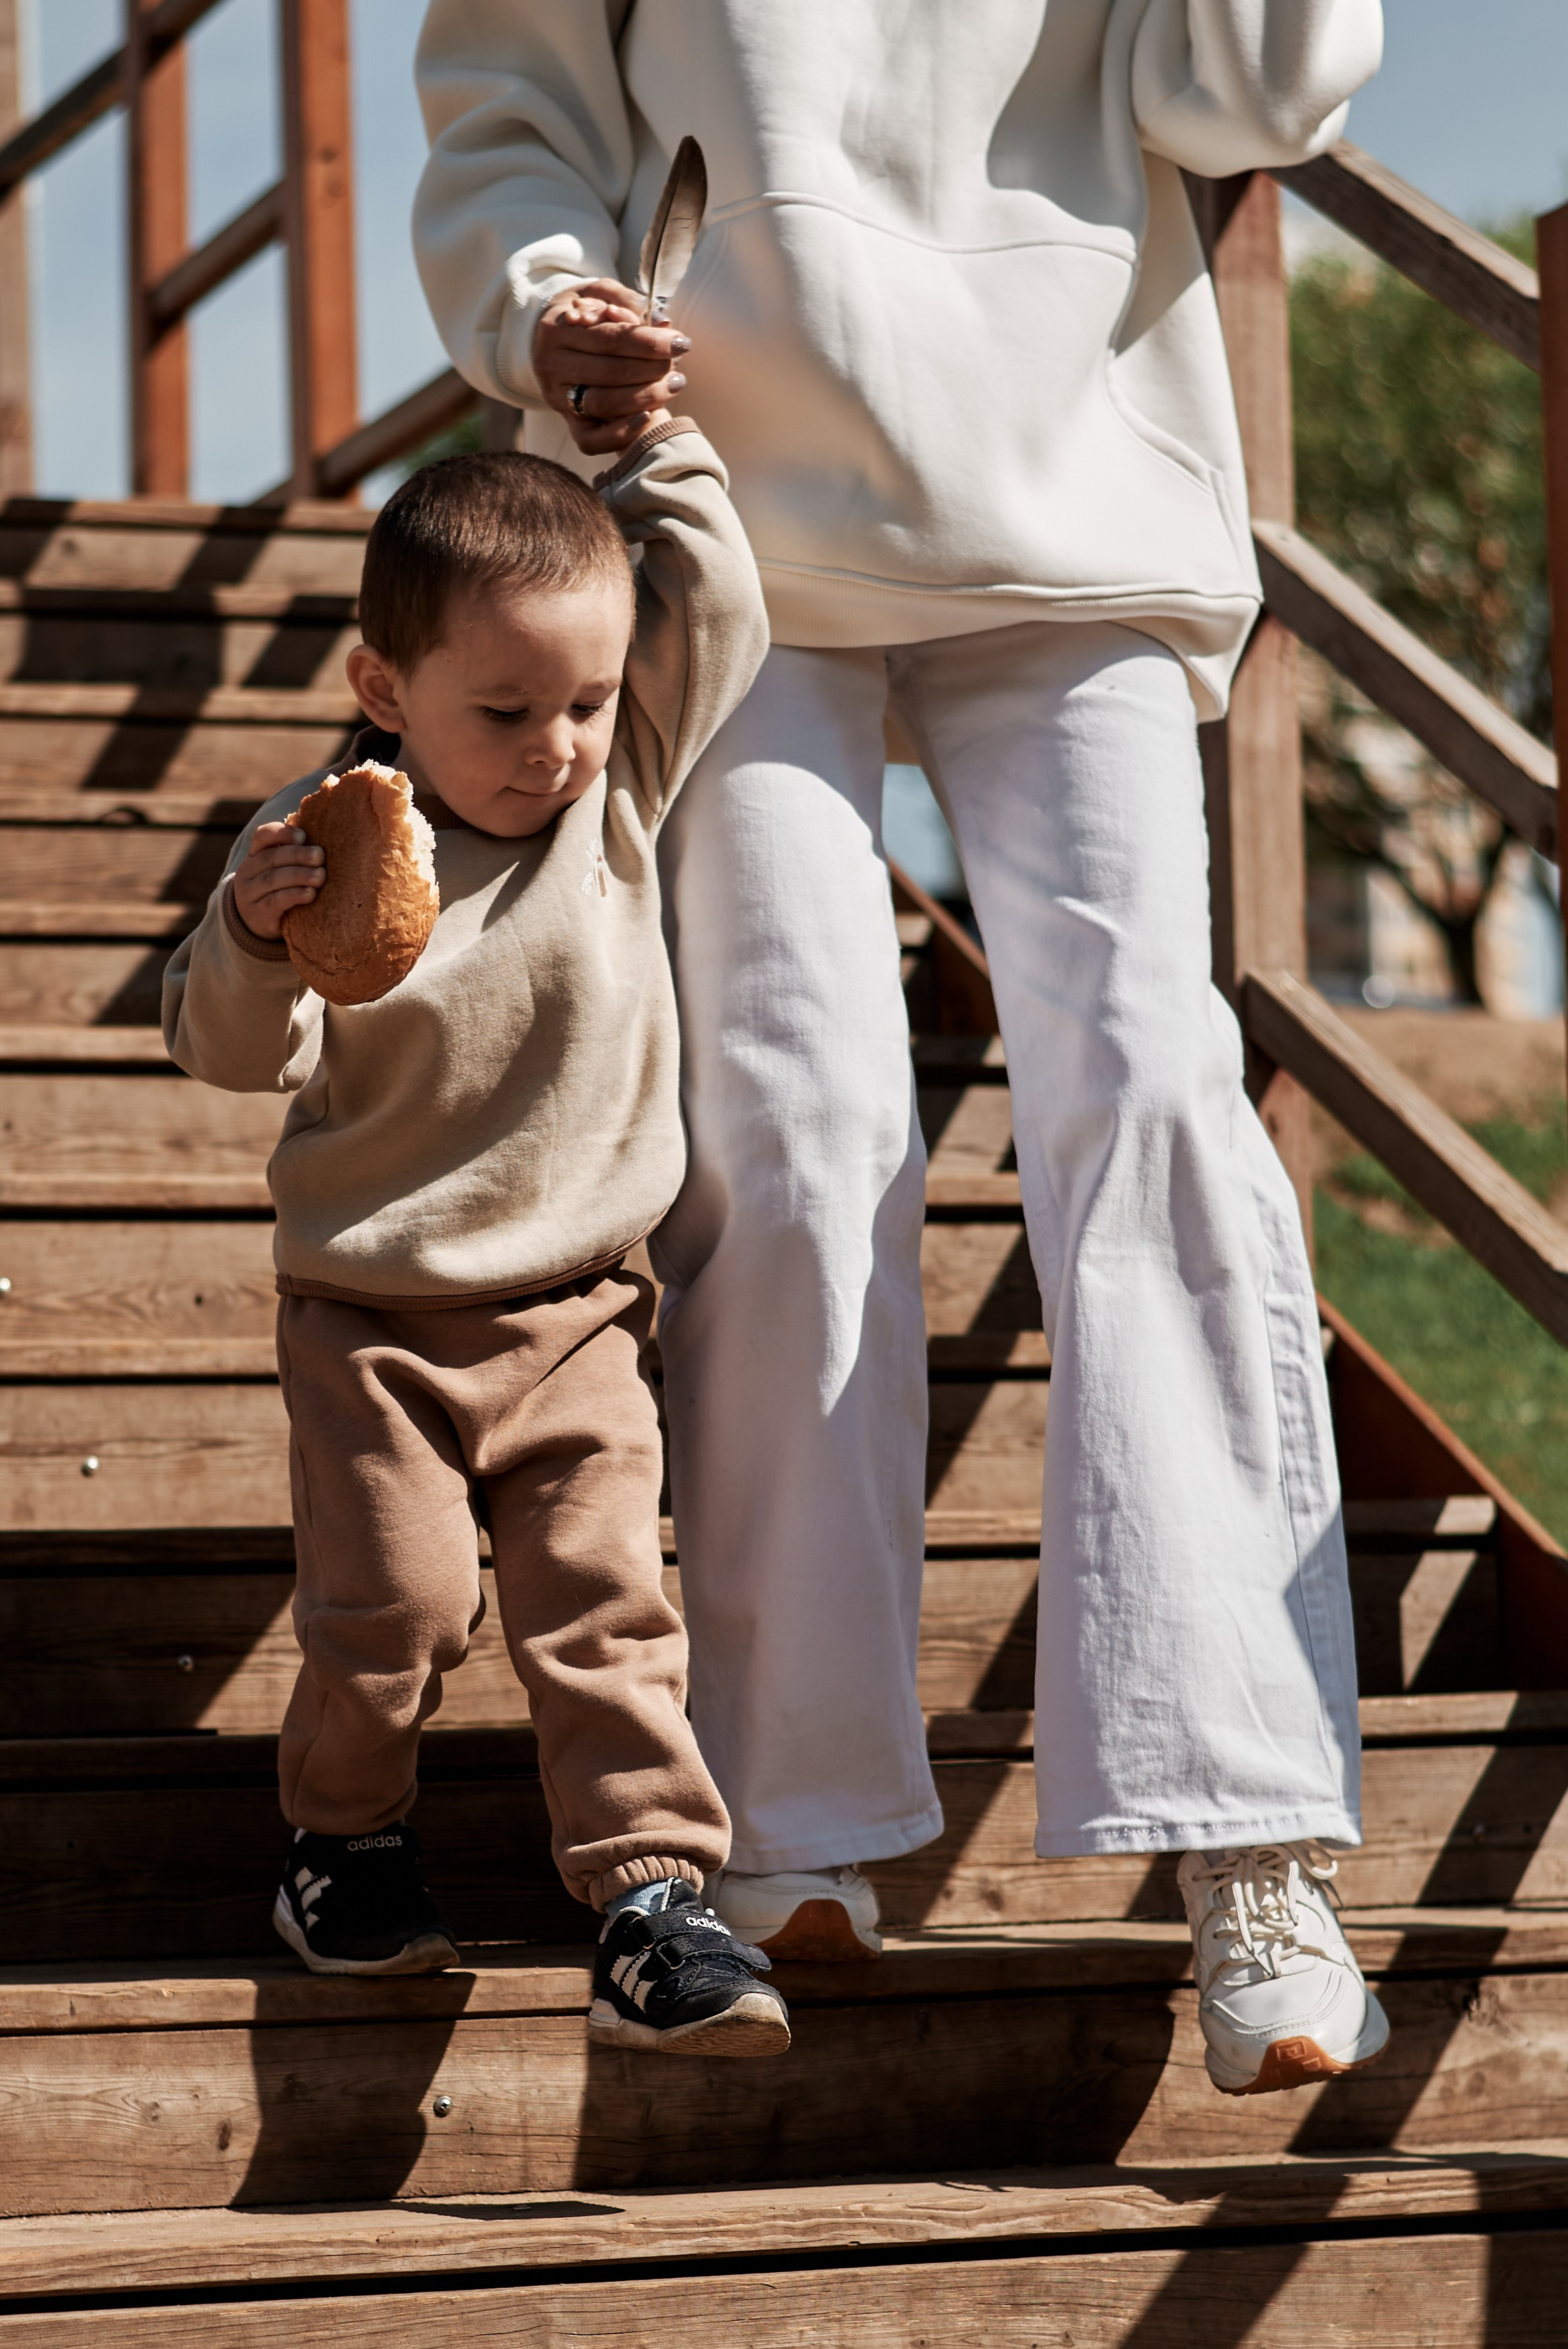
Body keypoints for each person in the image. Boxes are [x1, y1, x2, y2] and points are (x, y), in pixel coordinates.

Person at [411, 0, 1388, 2093]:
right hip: (727, 494)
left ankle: (1249, 1834)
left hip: (1082, 484)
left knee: (1149, 1091)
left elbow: (1254, 88)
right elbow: (512, 112)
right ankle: (793, 1807)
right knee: (784, 1109)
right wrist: (539, 309)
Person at [162, 405, 793, 2058]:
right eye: (504, 709)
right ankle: (343, 1845)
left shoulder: (617, 800)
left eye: (584, 700)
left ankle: (655, 1904)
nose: (556, 743)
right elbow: (227, 1052)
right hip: (372, 1321)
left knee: (601, 1606)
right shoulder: (324, 854)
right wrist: (250, 929)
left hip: (583, 1306)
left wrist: (653, 447)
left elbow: (716, 603)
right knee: (400, 1612)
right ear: (386, 691)